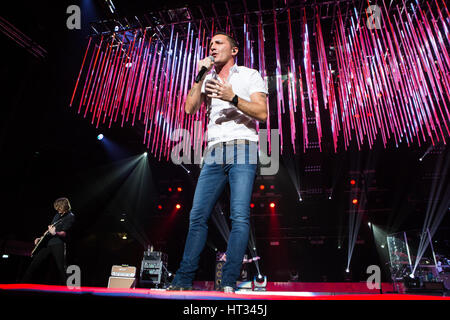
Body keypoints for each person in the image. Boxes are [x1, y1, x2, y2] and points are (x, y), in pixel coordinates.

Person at [168, 31, 268, 293]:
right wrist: (199, 77)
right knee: (197, 215)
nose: (212, 47)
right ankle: (182, 280)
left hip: (243, 148)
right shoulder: (207, 78)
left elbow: (262, 113)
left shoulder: (249, 75)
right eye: (210, 44)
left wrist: (231, 97)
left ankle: (228, 282)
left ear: (233, 50)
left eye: (218, 43)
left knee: (239, 216)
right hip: (213, 151)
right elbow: (189, 109)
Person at [22, 197, 75, 285]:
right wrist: (41, 238)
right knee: (35, 262)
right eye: (57, 208)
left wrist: (56, 233)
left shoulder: (70, 216)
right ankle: (22, 283)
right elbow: (50, 229)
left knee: (61, 267)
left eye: (59, 208)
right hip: (48, 242)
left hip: (58, 243)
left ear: (65, 206)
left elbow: (64, 233)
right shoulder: (57, 215)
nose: (58, 210)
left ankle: (69, 288)